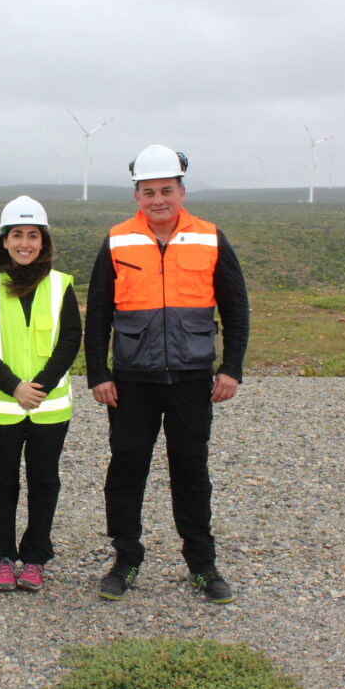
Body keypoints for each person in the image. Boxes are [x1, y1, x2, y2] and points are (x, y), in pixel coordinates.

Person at [85, 145, 249, 604]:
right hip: (132, 379)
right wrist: (98, 372)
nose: (158, 199)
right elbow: (98, 311)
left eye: (166, 190)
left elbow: (235, 307)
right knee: (126, 467)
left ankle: (202, 563)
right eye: (148, 191)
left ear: (182, 190)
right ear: (136, 195)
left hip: (193, 377)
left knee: (191, 469)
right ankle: (125, 559)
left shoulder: (211, 237)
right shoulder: (117, 239)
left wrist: (231, 368)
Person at [0, 196, 82, 592]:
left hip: (49, 407)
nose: (25, 243)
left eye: (33, 235)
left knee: (44, 481)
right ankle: (2, 555)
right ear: (4, 240)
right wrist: (14, 387)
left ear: (43, 240)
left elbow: (70, 340)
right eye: (17, 235)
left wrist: (40, 387)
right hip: (2, 405)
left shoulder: (61, 284)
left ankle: (35, 557)